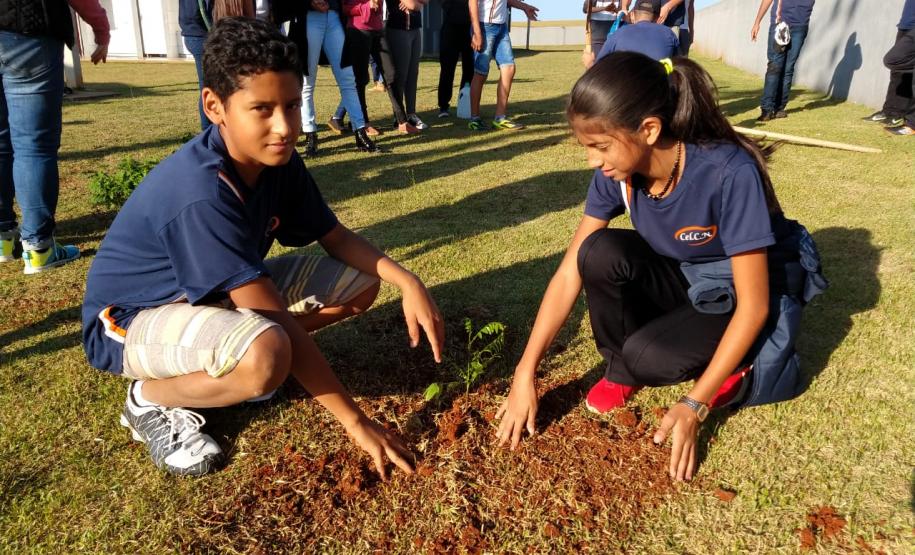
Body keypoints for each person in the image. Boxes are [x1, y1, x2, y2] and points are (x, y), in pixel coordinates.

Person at [81, 18, 445, 478]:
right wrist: (356, 422)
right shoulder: (201, 193)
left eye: (292, 106)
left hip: (210, 297)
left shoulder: (279, 160)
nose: (284, 127)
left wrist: (407, 281)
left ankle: (245, 362)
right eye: (262, 109)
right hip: (129, 319)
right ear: (214, 106)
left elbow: (333, 236)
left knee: (361, 285)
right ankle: (149, 400)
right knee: (268, 353)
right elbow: (273, 319)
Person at [494, 52, 826, 482]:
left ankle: (741, 368)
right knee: (597, 250)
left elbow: (754, 304)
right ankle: (621, 372)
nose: (593, 161)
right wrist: (526, 371)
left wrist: (694, 403)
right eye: (587, 148)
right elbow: (569, 272)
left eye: (600, 146)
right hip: (687, 273)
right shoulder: (618, 173)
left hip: (744, 290)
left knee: (650, 358)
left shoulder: (727, 172)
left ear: (649, 129)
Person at [0, 0, 109, 273]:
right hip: (31, 31)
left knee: (1, 142)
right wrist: (101, 29)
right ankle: (39, 248)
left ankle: (2, 240)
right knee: (34, 146)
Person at [288, 0, 379, 155]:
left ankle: (360, 132)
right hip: (309, 17)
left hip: (334, 17)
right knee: (307, 81)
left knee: (348, 80)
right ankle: (310, 133)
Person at [328, 0, 413, 137]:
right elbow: (345, 9)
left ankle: (402, 121)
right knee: (360, 80)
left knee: (391, 75)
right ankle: (364, 123)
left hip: (378, 29)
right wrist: (366, 7)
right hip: (358, 31)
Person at [467, 0, 539, 131]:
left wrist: (525, 7)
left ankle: (500, 118)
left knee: (509, 68)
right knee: (481, 73)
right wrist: (477, 33)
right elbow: (472, 4)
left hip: (501, 27)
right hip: (484, 27)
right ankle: (474, 119)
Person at [751, 0, 816, 121]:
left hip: (800, 26)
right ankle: (767, 109)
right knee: (775, 66)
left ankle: (779, 108)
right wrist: (757, 22)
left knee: (788, 68)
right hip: (780, 23)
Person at [863, 0, 915, 136]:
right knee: (898, 70)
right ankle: (891, 111)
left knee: (897, 63)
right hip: (907, 23)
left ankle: (911, 123)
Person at [385, 0, 429, 131]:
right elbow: (413, 5)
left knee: (412, 74)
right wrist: (417, 4)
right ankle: (398, 116)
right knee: (401, 75)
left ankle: (411, 113)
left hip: (415, 29)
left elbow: (425, 1)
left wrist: (417, 4)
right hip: (398, 29)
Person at [597, 0, 678, 62]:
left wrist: (589, 63)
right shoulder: (669, 35)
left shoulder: (618, 34)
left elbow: (599, 65)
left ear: (632, 15)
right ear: (658, 19)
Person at [437, 0, 475, 118]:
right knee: (447, 69)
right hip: (450, 29)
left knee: (469, 69)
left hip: (469, 29)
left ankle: (465, 103)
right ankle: (443, 106)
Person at [581, 1, 622, 69]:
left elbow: (622, 10)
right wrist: (604, 8)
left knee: (612, 65)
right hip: (597, 36)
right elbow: (586, 9)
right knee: (595, 64)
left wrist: (615, 9)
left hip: (613, 34)